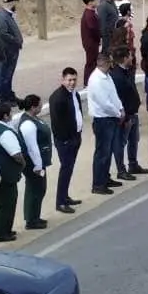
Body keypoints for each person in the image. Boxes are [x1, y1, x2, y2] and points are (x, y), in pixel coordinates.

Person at [0, 102, 25, 242]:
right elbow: (16, 154)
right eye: (10, 113)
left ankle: (5, 229)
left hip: (0, 171)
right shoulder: (5, 132)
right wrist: (23, 163)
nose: (12, 115)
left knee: (5, 202)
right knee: (7, 203)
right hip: (6, 173)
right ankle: (1, 233)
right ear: (5, 116)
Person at [110, 46, 148, 180]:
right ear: (124, 58)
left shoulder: (127, 72)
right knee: (121, 143)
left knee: (134, 140)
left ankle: (133, 164)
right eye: (130, 56)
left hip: (133, 112)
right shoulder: (117, 76)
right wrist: (125, 116)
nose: (132, 58)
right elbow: (119, 98)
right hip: (125, 115)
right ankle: (121, 170)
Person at [87, 52, 124, 195]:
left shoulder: (107, 76)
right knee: (102, 153)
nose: (112, 65)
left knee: (107, 152)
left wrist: (120, 108)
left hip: (111, 117)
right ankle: (98, 184)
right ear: (104, 63)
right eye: (110, 62)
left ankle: (105, 178)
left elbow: (113, 95)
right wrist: (117, 113)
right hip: (103, 119)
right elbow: (104, 103)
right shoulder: (96, 80)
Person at [48, 68, 83, 214]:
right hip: (65, 141)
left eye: (74, 79)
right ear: (63, 80)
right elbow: (57, 124)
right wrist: (66, 140)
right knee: (65, 169)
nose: (72, 82)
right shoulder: (58, 98)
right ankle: (60, 202)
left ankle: (65, 196)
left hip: (75, 137)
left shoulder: (75, 94)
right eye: (69, 80)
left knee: (69, 169)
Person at [17, 94, 54, 231]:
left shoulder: (33, 118)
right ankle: (31, 220)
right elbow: (32, 147)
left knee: (39, 189)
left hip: (38, 161)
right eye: (39, 105)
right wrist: (38, 166)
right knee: (35, 189)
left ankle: (35, 216)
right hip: (33, 163)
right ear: (33, 107)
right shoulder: (28, 124)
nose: (41, 106)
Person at [79, 0, 101, 83]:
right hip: (91, 42)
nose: (97, 2)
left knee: (93, 62)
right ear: (90, 2)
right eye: (96, 0)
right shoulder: (89, 14)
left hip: (92, 41)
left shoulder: (91, 12)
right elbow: (93, 29)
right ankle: (87, 82)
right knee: (91, 63)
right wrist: (99, 37)